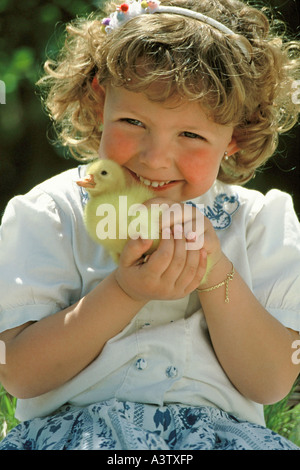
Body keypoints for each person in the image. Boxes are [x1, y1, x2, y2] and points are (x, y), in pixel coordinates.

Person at [0, 0, 299, 451]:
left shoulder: (259, 223)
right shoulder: (51, 213)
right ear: (101, 101)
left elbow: (271, 382)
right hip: (76, 438)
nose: (155, 157)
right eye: (133, 122)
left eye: (191, 135)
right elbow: (18, 374)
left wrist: (215, 271)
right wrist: (126, 292)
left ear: (234, 136)